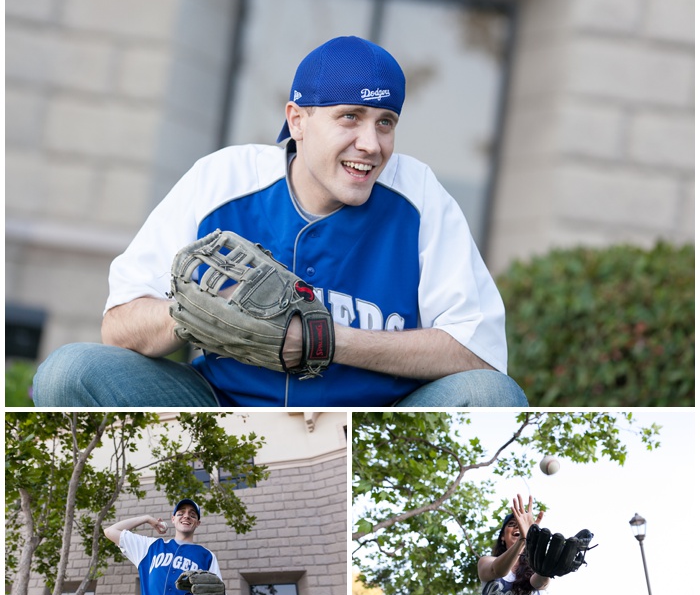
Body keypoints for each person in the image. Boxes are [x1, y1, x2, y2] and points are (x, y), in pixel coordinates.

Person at [33, 35, 528, 407]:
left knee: (491, 397)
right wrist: (191, 313)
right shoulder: (222, 179)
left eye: (386, 122)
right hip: (222, 405)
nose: (372, 145)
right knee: (69, 372)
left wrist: (326, 340)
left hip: (369, 417)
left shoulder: (420, 197)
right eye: (350, 117)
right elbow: (118, 327)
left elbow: (478, 355)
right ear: (297, 120)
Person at [103, 499, 224, 595]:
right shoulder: (150, 548)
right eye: (181, 513)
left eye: (192, 514)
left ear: (198, 523)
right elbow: (110, 531)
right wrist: (147, 519)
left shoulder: (206, 556)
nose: (186, 516)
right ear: (173, 519)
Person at [474, 494, 550, 595]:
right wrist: (523, 539)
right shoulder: (486, 561)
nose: (517, 526)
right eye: (511, 524)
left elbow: (540, 582)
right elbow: (498, 570)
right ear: (502, 536)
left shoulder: (535, 565)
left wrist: (547, 569)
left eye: (520, 524)